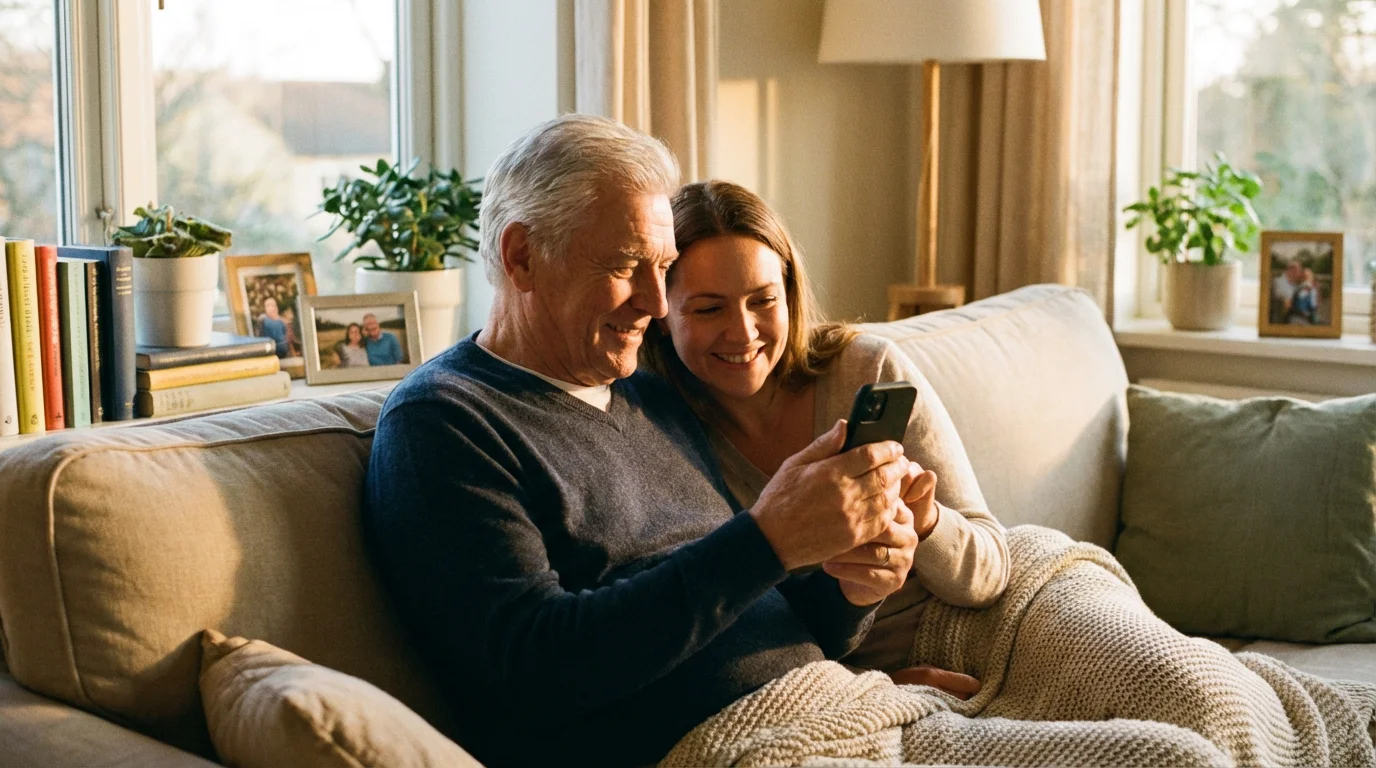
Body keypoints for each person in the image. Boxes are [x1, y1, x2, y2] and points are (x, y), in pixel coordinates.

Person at [364, 115, 922, 767]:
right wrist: (766, 539)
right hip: (725, 749)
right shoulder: (444, 422)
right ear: (522, 257)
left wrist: (852, 586)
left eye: (663, 268)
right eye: (629, 267)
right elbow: (538, 671)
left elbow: (780, 620)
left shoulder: (652, 395)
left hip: (834, 709)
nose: (658, 303)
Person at [641, 179, 1009, 677]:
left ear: (789, 294)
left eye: (763, 301)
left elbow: (991, 571)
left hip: (982, 622)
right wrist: (879, 686)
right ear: (663, 316)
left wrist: (926, 522)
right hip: (841, 679)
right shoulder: (659, 432)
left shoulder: (866, 369)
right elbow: (732, 635)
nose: (744, 332)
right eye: (709, 308)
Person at [1270, 259, 1304, 324]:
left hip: (1294, 315)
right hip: (1282, 319)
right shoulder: (1278, 281)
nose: (1300, 274)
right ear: (1292, 270)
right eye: (1299, 271)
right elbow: (1279, 295)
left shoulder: (1295, 285)